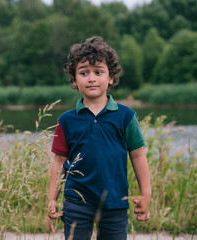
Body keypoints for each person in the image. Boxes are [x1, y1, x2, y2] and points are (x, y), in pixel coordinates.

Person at [47, 36, 151, 240]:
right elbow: (59, 162)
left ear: (110, 77)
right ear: (74, 80)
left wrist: (145, 193)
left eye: (98, 72)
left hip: (115, 201)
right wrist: (52, 198)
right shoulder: (65, 120)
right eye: (84, 72)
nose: (91, 78)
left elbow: (138, 156)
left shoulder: (126, 116)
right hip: (76, 202)